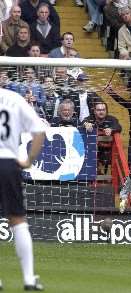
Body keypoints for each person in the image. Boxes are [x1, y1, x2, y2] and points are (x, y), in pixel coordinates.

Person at [0, 88, 46, 290]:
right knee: (18, 220)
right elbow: (39, 131)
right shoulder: (14, 98)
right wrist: (28, 160)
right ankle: (28, 278)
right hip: (8, 164)